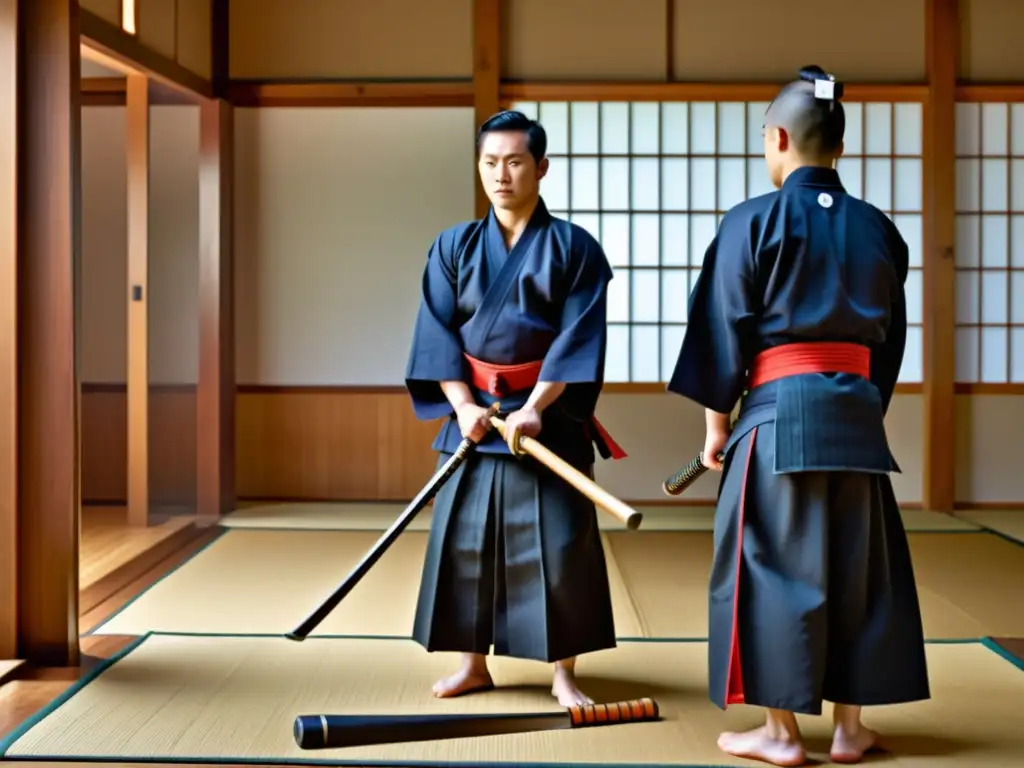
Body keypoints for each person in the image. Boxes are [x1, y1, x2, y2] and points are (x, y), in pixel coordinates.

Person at [666, 65, 931, 767]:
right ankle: (850, 728)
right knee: (858, 572)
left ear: (779, 138)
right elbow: (891, 345)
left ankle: (781, 733)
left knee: (768, 569)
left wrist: (716, 429)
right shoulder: (880, 230)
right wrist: (863, 406)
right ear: (838, 146)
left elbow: (723, 327)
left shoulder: (751, 221)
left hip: (777, 420)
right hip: (858, 421)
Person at [403, 110, 627, 707]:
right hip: (473, 417)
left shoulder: (574, 247)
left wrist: (534, 408)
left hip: (545, 418)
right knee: (465, 543)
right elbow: (436, 333)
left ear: (541, 167)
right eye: (489, 162)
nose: (500, 174)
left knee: (558, 546)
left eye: (514, 161)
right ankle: (472, 665)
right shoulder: (453, 246)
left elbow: (579, 338)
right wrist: (462, 404)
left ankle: (563, 673)